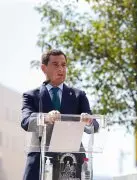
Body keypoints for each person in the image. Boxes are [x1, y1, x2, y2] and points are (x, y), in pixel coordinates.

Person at [21, 49, 99, 180]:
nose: (61, 69)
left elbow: (95, 126)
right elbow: (25, 121)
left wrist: (88, 121)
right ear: (44, 68)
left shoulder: (78, 95)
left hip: (71, 162)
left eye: (63, 65)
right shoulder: (31, 96)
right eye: (55, 64)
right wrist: (45, 118)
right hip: (40, 163)